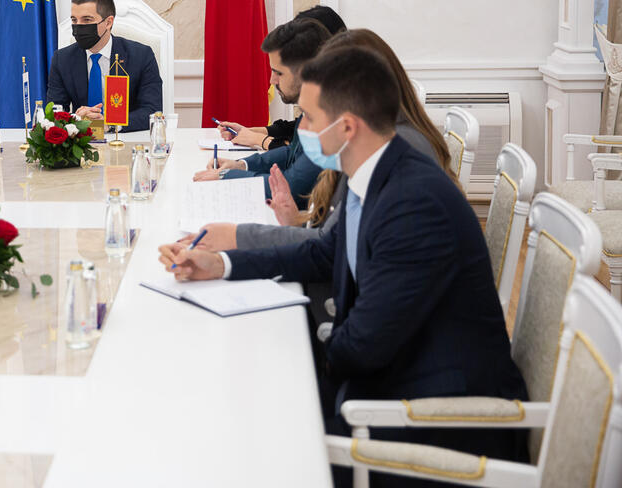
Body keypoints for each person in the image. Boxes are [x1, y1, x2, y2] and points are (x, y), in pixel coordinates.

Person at [160, 48, 527, 478]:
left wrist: (281, 359)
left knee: (241, 450)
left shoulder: (414, 203)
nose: (301, 133)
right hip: (391, 388)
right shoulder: (372, 170)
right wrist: (221, 263)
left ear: (348, 127)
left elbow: (362, 346)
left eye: (309, 119)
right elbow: (322, 252)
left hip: (434, 426)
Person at [188, 28, 450, 251]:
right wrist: (295, 224)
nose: (303, 130)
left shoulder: (391, 158)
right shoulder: (368, 145)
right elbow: (334, 240)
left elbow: (332, 252)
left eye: (312, 117)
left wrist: (238, 239)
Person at [194, 18, 329, 207]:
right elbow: (292, 153)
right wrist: (241, 165)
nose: (272, 80)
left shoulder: (329, 116)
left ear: (307, 71)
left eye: (278, 73)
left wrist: (227, 176)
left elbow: (292, 188)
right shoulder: (312, 108)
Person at [216, 4, 347, 151]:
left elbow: (302, 152)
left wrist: (259, 139)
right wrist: (250, 132)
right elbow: (296, 129)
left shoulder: (344, 96)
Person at [45, 0, 162, 133]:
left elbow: (152, 110)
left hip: (125, 138)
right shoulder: (62, 59)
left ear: (108, 22)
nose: (78, 26)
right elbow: (54, 112)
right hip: (81, 139)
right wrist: (75, 119)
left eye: (87, 20)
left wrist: (110, 124)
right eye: (74, 20)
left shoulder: (141, 55)